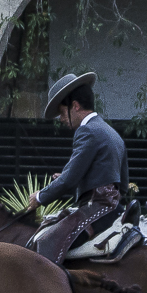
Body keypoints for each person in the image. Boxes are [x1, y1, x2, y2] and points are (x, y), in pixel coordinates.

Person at [28, 72, 127, 265]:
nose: (61, 119)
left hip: (96, 209)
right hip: (114, 209)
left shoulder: (87, 130)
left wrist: (40, 197)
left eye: (62, 113)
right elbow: (120, 183)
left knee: (45, 243)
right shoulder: (111, 132)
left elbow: (70, 180)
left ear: (75, 106)